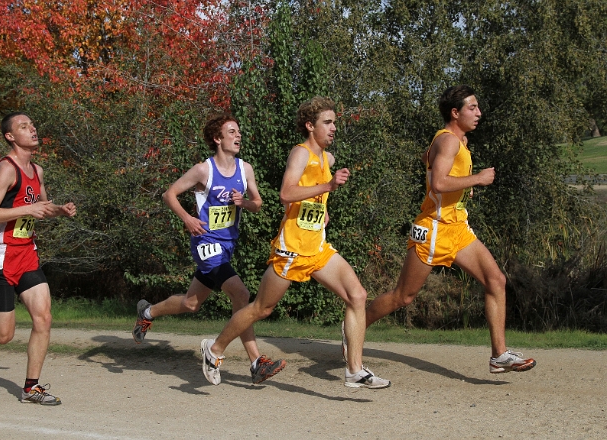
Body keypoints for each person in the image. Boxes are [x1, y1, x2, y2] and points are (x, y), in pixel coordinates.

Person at [200, 97, 390, 388]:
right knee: (261, 308)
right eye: (327, 122)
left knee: (358, 296)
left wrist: (323, 209)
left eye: (335, 122)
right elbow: (286, 194)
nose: (334, 127)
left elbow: (311, 197)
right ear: (310, 126)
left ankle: (354, 370)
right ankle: (214, 350)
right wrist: (327, 186)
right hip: (293, 248)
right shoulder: (300, 153)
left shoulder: (329, 159)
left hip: (317, 246)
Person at [347, 85, 536, 374]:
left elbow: (435, 170)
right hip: (434, 229)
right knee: (403, 296)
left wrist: (461, 191)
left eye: (478, 107)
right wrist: (477, 179)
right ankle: (354, 327)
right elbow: (438, 183)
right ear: (455, 112)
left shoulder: (457, 141)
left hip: (457, 228)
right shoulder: (448, 141)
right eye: (472, 107)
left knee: (495, 280)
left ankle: (499, 355)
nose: (479, 112)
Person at [132, 113, 286, 385]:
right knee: (241, 293)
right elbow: (170, 194)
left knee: (192, 303)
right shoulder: (204, 170)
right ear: (217, 139)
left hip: (227, 244)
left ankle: (148, 312)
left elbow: (258, 203)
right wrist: (188, 219)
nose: (238, 136)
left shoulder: (245, 169)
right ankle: (255, 361)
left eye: (239, 131)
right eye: (231, 132)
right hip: (205, 242)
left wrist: (245, 203)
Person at [0, 112, 77, 405]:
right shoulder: (6, 169)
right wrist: (27, 211)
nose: (32, 129)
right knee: (2, 337)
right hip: (1, 257)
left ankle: (31, 387)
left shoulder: (37, 170)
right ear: (10, 137)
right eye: (24, 127)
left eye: (33, 124)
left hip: (27, 254)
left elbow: (41, 205)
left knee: (44, 318)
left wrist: (58, 210)